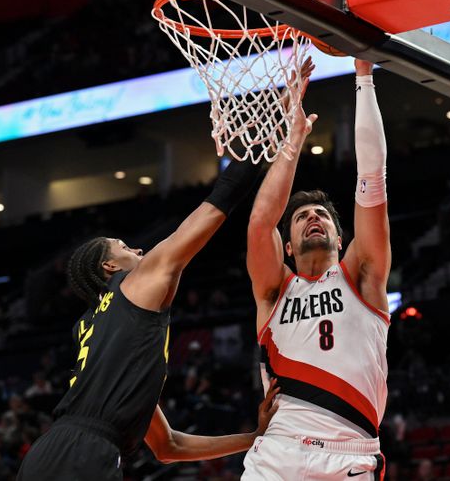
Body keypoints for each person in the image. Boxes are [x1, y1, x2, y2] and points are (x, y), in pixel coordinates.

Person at [17, 148, 277, 480]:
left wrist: (254, 438)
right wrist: (262, 144)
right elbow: (214, 207)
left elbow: (168, 447)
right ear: (110, 267)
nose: (138, 249)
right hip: (85, 454)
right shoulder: (130, 286)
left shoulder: (105, 339)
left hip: (50, 451)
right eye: (124, 247)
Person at [242, 59, 391, 480]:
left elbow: (373, 176)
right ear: (286, 246)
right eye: (301, 215)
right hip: (279, 448)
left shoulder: (361, 276)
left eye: (322, 215)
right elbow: (259, 222)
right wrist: (292, 141)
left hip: (350, 448)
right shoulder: (273, 290)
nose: (312, 217)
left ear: (341, 240)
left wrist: (364, 75)